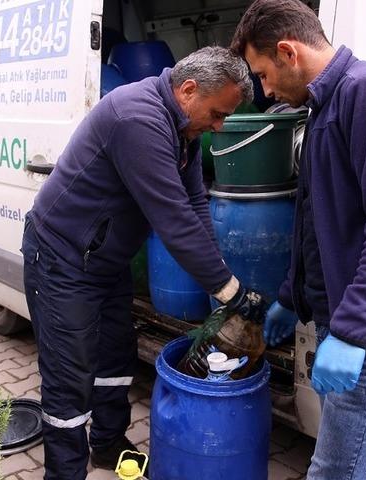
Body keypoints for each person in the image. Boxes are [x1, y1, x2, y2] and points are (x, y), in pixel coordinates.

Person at [20, 46, 266, 480]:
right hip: (61, 260)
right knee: (69, 379)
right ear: (188, 90)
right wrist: (231, 292)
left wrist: (221, 286)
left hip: (104, 262)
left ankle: (109, 445)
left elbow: (193, 206)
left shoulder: (182, 130)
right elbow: (172, 220)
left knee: (116, 358)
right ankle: (65, 473)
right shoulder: (137, 117)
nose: (219, 126)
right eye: (216, 114)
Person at [230, 2, 366, 479]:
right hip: (345, 325)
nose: (264, 92)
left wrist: (350, 333)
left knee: (332, 472)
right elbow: (314, 219)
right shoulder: (324, 105)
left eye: (263, 75)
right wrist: (292, 294)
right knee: (350, 467)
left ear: (288, 52)